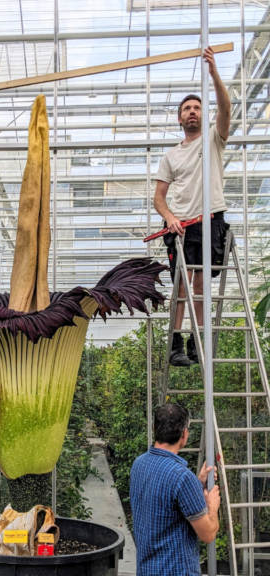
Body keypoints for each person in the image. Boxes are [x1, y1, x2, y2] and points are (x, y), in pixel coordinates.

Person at [155, 46, 232, 366]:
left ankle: (196, 343)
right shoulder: (171, 156)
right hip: (181, 226)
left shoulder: (214, 138)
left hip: (209, 220)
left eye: (196, 108)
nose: (192, 112)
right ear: (179, 117)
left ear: (203, 115)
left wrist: (214, 73)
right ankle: (175, 345)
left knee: (201, 285)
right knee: (181, 286)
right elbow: (159, 199)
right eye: (187, 108)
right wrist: (170, 217)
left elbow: (226, 108)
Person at [130, 403, 220, 576]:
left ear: (154, 428)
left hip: (146, 570)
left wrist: (196, 483)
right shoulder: (182, 477)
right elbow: (207, 534)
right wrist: (212, 505)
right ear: (184, 434)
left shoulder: (139, 464)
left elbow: (166, 499)